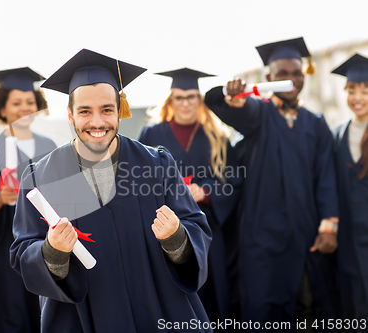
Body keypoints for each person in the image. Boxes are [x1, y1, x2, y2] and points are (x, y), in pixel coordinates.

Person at [10, 49, 214, 332]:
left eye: (107, 109)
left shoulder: (157, 163)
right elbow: (22, 250)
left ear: (119, 110)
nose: (97, 122)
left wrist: (176, 238)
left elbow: (197, 228)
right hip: (83, 319)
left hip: (158, 313)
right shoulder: (39, 177)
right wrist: (52, 251)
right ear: (70, 115)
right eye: (85, 111)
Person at [204, 37, 339, 330]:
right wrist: (235, 99)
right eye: (282, 74)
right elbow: (242, 110)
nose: (291, 79)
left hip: (306, 235)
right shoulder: (261, 114)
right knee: (264, 310)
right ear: (268, 78)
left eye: (297, 73)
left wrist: (329, 225)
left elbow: (326, 177)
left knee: (308, 308)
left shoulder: (315, 124)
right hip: (262, 238)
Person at [137, 68, 242, 327]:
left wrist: (206, 192)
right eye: (179, 97)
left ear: (200, 100)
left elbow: (234, 183)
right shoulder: (150, 135)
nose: (186, 103)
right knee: (172, 291)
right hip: (164, 229)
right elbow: (137, 181)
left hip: (208, 232)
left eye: (192, 96)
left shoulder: (217, 137)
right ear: (170, 101)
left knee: (212, 293)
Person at [0, 67, 56, 332]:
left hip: (43, 246)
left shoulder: (49, 147)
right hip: (2, 252)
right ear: (2, 108)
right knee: (10, 315)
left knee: (45, 313)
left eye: (30, 102)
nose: (24, 108)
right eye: (16, 103)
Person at [331, 54, 368, 327]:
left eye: (365, 90)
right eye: (352, 90)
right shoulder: (338, 134)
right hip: (349, 239)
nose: (358, 97)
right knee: (354, 303)